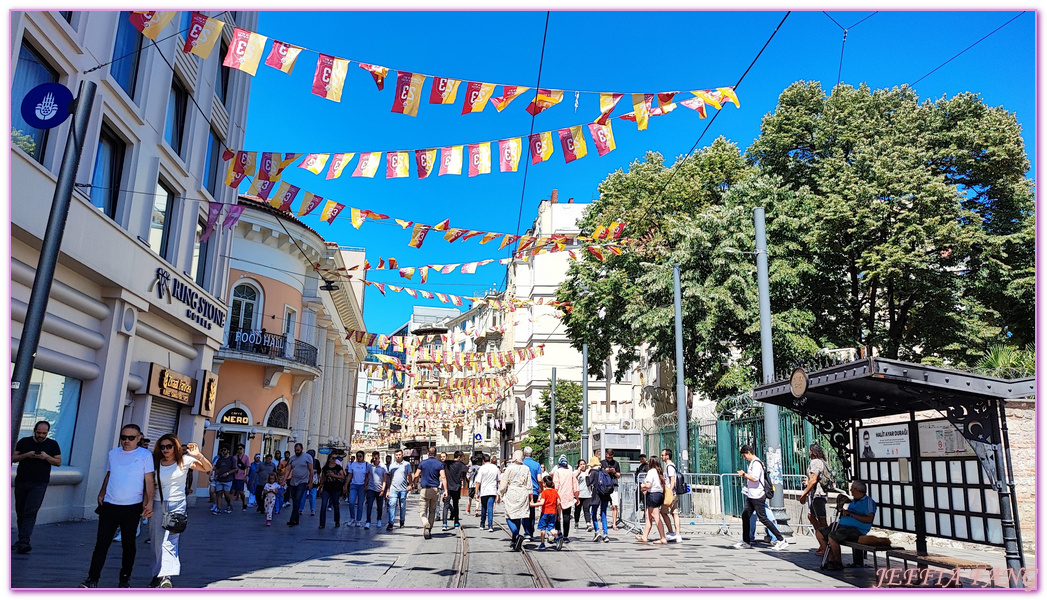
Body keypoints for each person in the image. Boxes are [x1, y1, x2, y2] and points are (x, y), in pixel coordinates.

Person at [79, 424, 155, 588]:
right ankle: (92, 579)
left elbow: (149, 480)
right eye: (123, 437)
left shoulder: (145, 455)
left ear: (139, 438)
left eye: (131, 438)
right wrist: (101, 492)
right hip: (110, 505)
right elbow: (109, 474)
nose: (126, 441)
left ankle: (124, 578)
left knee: (129, 545)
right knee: (101, 544)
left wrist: (149, 501)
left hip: (132, 506)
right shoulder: (113, 453)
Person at [149, 434, 211, 588]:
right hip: (158, 504)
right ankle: (157, 574)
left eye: (168, 446)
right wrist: (147, 503)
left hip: (177, 505)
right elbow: (149, 485)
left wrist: (198, 455)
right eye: (162, 447)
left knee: (169, 541)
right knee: (156, 541)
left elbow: (207, 468)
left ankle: (166, 576)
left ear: (175, 447)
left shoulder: (184, 461)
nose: (165, 450)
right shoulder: (156, 463)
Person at [12, 420, 62, 554]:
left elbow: (58, 462)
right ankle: (21, 538)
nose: (41, 435)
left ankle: (24, 541)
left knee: (31, 511)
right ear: (34, 430)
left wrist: (46, 457)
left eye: (44, 433)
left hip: (40, 483)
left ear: (47, 433)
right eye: (39, 433)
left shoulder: (52, 444)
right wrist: (26, 455)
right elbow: (13, 457)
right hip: (22, 481)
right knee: (21, 510)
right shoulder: (24, 442)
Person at [734, 445, 788, 551]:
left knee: (763, 518)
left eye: (745, 455)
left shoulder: (756, 463)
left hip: (758, 496)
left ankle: (781, 539)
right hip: (751, 496)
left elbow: (754, 478)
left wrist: (743, 474)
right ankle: (746, 541)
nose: (744, 458)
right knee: (745, 516)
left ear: (749, 452)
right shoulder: (753, 463)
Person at [817, 481, 877, 571]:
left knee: (833, 536)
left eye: (852, 488)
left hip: (858, 529)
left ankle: (838, 562)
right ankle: (832, 558)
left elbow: (869, 519)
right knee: (820, 532)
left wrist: (851, 514)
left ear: (857, 490)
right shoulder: (853, 501)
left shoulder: (868, 502)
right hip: (843, 526)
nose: (850, 490)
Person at [799, 443, 830, 555]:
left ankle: (826, 544)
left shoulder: (815, 462)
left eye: (809, 450)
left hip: (818, 495)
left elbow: (813, 480)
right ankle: (823, 543)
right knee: (811, 516)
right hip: (818, 494)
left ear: (812, 451)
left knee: (822, 520)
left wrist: (804, 494)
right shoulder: (822, 461)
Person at [498, 450, 532, 551]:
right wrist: (531, 499)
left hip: (512, 492)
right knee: (519, 516)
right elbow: (529, 484)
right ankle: (514, 540)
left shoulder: (510, 468)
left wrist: (500, 493)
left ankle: (517, 535)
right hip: (523, 493)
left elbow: (504, 483)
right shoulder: (526, 468)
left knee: (509, 515)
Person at [414, 446, 448, 540]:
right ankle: (429, 529)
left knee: (422, 511)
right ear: (436, 454)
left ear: (428, 454)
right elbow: (443, 477)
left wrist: (414, 483)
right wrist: (445, 490)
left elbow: (416, 475)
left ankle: (425, 524)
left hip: (424, 490)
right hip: (435, 490)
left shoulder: (423, 463)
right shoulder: (439, 464)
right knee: (432, 511)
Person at [637, 456, 668, 544]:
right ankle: (645, 536)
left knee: (655, 517)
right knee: (648, 516)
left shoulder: (651, 472)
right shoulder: (659, 472)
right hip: (659, 495)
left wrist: (642, 485)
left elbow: (648, 485)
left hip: (653, 495)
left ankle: (663, 537)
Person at [281, 443, 314, 527]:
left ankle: (292, 519)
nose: (297, 451)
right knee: (295, 500)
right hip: (293, 482)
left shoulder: (307, 457)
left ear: (302, 449)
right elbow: (288, 470)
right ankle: (296, 519)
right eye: (296, 450)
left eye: (298, 450)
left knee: (298, 499)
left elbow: (311, 470)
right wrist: (283, 481)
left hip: (303, 481)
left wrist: (310, 482)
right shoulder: (292, 459)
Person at [551, 455, 578, 544]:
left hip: (559, 496)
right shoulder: (571, 472)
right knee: (566, 516)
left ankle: (558, 533)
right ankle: (566, 536)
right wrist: (577, 497)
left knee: (557, 516)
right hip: (569, 496)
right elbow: (575, 486)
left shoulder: (557, 472)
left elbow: (556, 485)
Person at [529, 475, 560, 550]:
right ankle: (557, 538)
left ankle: (542, 544)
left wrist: (533, 504)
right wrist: (559, 514)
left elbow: (542, 503)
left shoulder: (544, 492)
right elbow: (558, 503)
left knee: (543, 529)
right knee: (551, 528)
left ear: (545, 484)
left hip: (545, 512)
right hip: (553, 513)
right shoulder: (555, 492)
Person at [385, 449, 413, 531]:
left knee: (402, 506)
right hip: (393, 488)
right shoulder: (392, 465)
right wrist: (388, 489)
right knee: (392, 505)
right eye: (396, 455)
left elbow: (409, 475)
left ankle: (402, 521)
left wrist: (410, 484)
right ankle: (390, 523)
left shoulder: (407, 464)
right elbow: (389, 478)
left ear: (402, 455)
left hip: (403, 489)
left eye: (399, 454)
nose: (398, 456)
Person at [660, 448, 683, 543]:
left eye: (663, 455)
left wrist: (669, 491)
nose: (661, 457)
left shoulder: (669, 466)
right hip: (674, 492)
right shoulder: (672, 465)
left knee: (663, 512)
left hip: (671, 493)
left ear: (667, 456)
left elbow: (672, 480)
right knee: (674, 513)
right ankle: (677, 534)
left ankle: (671, 532)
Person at [585, 455, 611, 542]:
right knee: (603, 514)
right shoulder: (604, 471)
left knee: (594, 513)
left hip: (596, 495)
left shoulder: (593, 472)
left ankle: (597, 531)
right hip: (605, 495)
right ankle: (606, 534)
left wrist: (586, 475)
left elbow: (589, 483)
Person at [442, 450, 469, 530]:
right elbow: (469, 471)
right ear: (459, 457)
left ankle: (444, 524)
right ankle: (456, 522)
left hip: (447, 487)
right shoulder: (461, 464)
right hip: (456, 487)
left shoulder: (447, 463)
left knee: (446, 505)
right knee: (456, 505)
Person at [318, 454, 345, 529]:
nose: (334, 460)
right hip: (326, 488)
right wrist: (320, 487)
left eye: (336, 458)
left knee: (336, 505)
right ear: (329, 459)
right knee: (323, 505)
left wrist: (333, 476)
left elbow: (343, 476)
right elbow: (322, 478)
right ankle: (322, 523)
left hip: (336, 489)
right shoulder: (325, 468)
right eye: (333, 458)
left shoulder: (338, 467)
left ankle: (337, 521)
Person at [474, 453, 500, 530]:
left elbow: (478, 482)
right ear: (490, 460)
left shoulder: (482, 468)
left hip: (484, 491)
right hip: (492, 490)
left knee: (484, 507)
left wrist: (476, 493)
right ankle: (490, 525)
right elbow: (499, 480)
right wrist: (499, 492)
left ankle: (482, 524)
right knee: (490, 507)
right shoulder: (495, 468)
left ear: (483, 461)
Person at [346, 450, 371, 527]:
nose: (358, 458)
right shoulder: (353, 464)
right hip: (354, 485)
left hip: (362, 486)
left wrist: (366, 485)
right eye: (357, 456)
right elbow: (350, 475)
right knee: (352, 502)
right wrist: (345, 484)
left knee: (360, 503)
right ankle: (352, 518)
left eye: (360, 456)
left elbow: (368, 476)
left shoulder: (367, 465)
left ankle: (358, 520)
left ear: (363, 456)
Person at [521, 447, 542, 540]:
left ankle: (526, 532)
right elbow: (539, 479)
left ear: (523, 454)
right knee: (532, 511)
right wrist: (541, 488)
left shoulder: (521, 464)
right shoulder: (536, 464)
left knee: (523, 511)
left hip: (523, 490)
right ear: (532, 454)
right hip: (534, 491)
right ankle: (531, 530)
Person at [600, 449, 622, 538]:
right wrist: (606, 471)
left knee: (614, 505)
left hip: (613, 485)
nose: (609, 458)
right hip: (604, 486)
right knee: (603, 505)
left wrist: (613, 471)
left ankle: (614, 523)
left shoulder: (616, 463)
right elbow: (599, 473)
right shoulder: (602, 462)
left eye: (610, 457)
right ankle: (603, 523)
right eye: (607, 457)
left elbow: (619, 475)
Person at [211, 446, 236, 514]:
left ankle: (229, 504)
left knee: (226, 493)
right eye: (222, 450)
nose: (223, 451)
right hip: (219, 479)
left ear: (228, 451)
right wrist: (215, 474)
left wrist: (227, 473)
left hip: (228, 479)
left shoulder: (231, 459)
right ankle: (218, 508)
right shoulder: (220, 459)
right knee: (219, 493)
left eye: (224, 450)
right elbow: (216, 467)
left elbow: (235, 468)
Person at [365, 451, 387, 528]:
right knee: (369, 506)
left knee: (379, 506)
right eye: (373, 458)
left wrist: (383, 489)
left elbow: (384, 479)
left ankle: (379, 520)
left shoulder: (383, 467)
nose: (374, 459)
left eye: (376, 458)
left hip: (380, 489)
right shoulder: (369, 466)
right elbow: (367, 476)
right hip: (371, 489)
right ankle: (368, 521)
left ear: (379, 457)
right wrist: (366, 485)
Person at [574, 459, 593, 532]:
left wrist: (587, 474)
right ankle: (576, 522)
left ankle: (588, 523)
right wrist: (578, 473)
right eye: (581, 464)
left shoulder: (588, 472)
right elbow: (573, 479)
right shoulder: (576, 472)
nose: (583, 466)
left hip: (587, 494)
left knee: (586, 509)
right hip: (578, 494)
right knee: (577, 510)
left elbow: (590, 481)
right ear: (578, 465)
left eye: (584, 464)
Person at [232, 444, 250, 511]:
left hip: (241, 476)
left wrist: (246, 475)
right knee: (232, 491)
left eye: (241, 448)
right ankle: (230, 505)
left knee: (241, 492)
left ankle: (244, 503)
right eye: (238, 449)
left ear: (243, 449)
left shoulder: (246, 457)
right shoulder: (234, 457)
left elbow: (248, 466)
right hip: (234, 476)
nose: (239, 450)